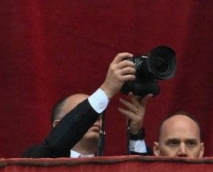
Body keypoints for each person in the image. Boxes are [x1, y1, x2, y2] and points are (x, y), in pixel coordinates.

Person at [23, 53, 152, 158]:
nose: (95, 117)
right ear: (58, 126)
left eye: (97, 115)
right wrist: (106, 90)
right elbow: (54, 146)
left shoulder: (113, 170)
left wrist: (135, 135)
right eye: (83, 112)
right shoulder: (37, 158)